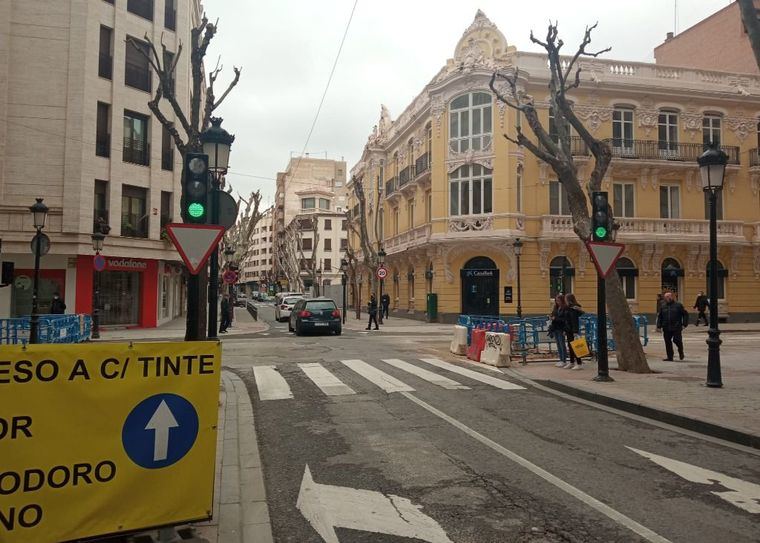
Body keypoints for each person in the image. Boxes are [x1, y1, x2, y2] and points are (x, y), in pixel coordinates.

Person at [656, 292, 689, 361]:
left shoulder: (678, 305)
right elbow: (660, 317)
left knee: (677, 340)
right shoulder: (663, 306)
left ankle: (681, 351)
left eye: (669, 296)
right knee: (667, 342)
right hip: (666, 326)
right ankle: (670, 357)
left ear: (672, 297)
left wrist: (684, 324)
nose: (667, 298)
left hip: (676, 326)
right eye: (666, 297)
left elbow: (685, 314)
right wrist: (658, 326)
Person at [562, 293, 584, 370]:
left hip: (573, 330)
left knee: (575, 346)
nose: (565, 300)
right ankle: (572, 362)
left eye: (566, 299)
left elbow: (574, 320)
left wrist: (575, 331)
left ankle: (579, 362)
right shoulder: (568, 308)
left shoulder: (573, 309)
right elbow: (566, 319)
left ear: (569, 300)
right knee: (570, 346)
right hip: (568, 329)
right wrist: (565, 329)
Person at [549, 294, 568, 368]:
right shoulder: (556, 308)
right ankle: (561, 359)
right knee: (558, 344)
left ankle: (564, 360)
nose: (557, 302)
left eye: (558, 301)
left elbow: (564, 319)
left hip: (561, 328)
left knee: (562, 344)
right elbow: (553, 315)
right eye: (556, 301)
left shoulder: (564, 308)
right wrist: (551, 317)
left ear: (562, 301)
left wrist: (555, 319)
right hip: (555, 327)